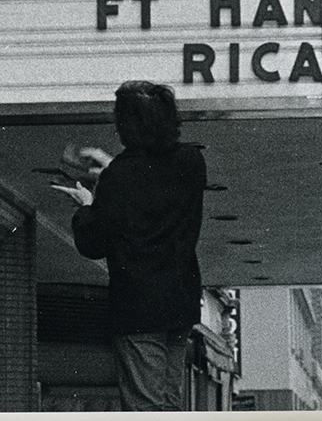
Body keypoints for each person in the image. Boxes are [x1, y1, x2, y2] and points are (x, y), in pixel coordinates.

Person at [51, 81, 207, 411]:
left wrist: (86, 205)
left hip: (139, 305)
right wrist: (111, 166)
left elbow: (94, 243)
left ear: (127, 125)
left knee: (144, 405)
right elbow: (153, 178)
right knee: (168, 401)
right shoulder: (192, 163)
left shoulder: (119, 177)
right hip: (180, 302)